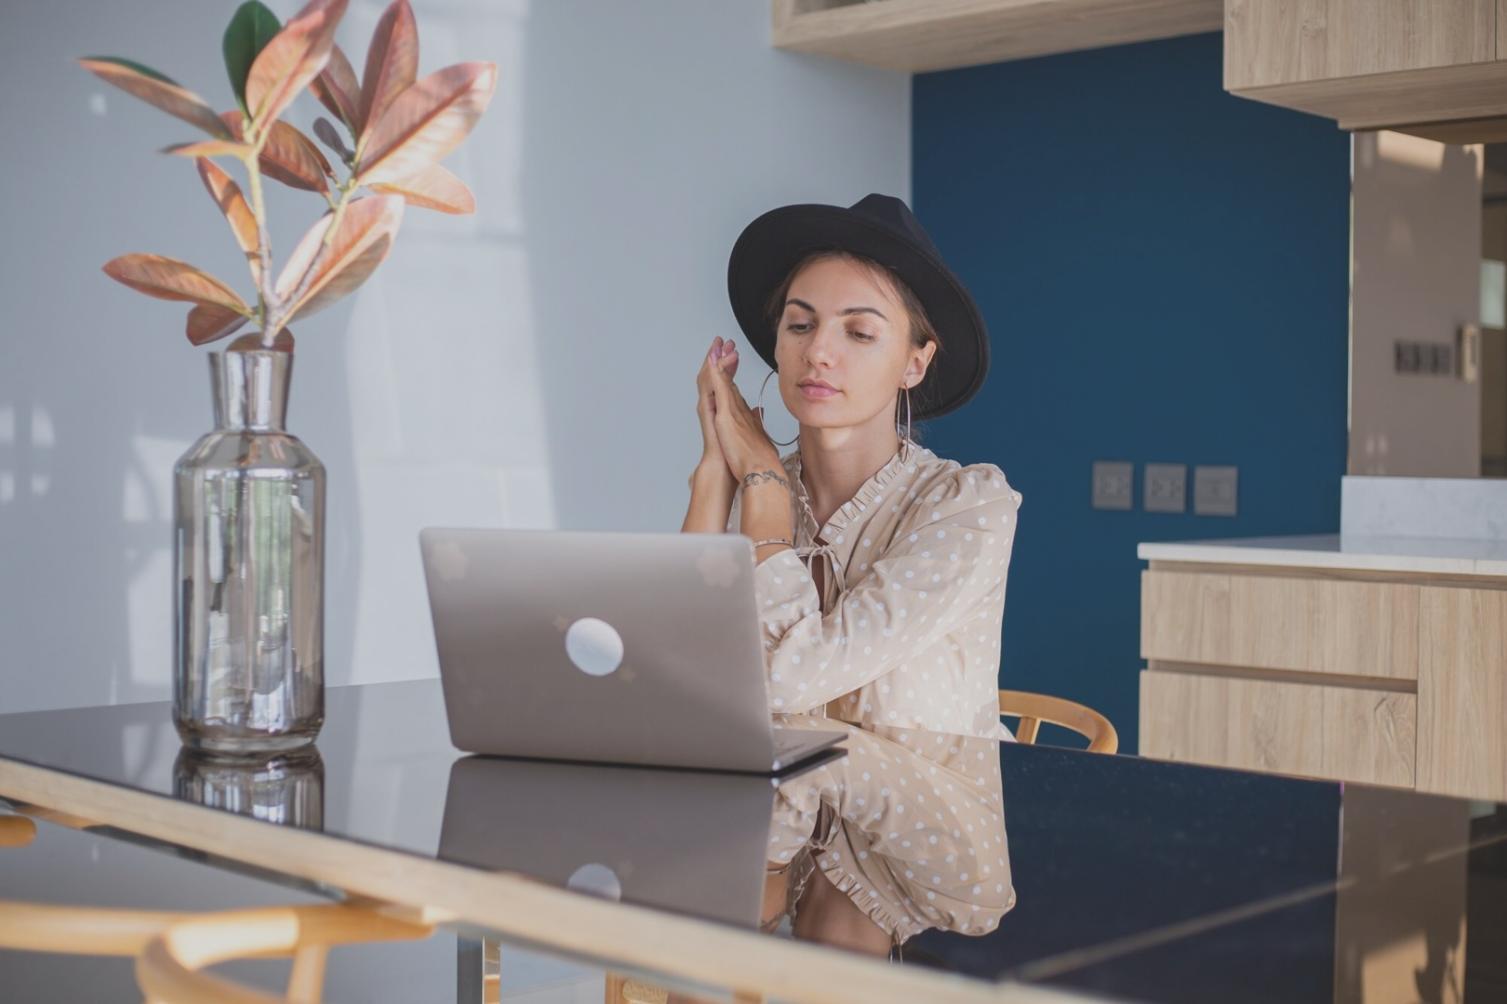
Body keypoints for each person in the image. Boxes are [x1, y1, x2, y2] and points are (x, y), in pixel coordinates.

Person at [681, 193, 1023, 744]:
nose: (818, 351)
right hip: (774, 821)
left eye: (859, 333)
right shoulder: (747, 487)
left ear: (915, 363)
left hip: (920, 817)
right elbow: (676, 680)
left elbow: (794, 680)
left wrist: (763, 489)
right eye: (799, 325)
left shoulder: (968, 506)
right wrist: (713, 475)